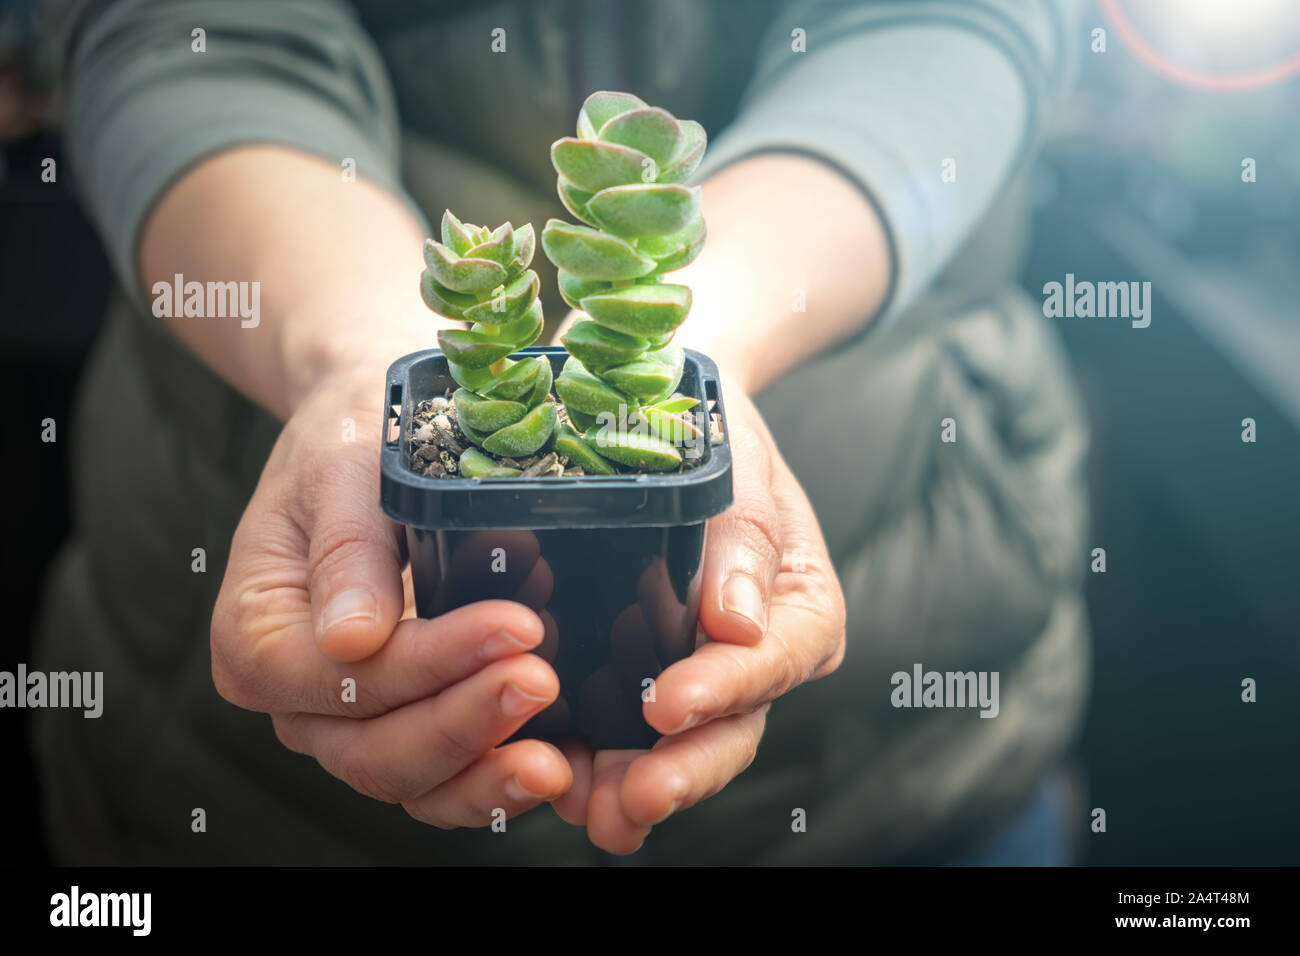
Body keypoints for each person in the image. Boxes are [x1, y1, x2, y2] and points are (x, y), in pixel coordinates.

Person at [31, 0, 1088, 865]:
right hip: (250, 808)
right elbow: (180, 32)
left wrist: (710, 335)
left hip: (908, 767)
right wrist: (352, 354)